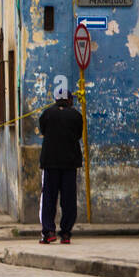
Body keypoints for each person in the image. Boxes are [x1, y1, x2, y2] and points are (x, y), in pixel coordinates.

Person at [38, 81, 84, 244]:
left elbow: (43, 130)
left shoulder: (47, 114)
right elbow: (78, 134)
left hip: (50, 163)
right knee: (68, 199)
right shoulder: (76, 116)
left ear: (56, 99)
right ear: (70, 100)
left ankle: (49, 231)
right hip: (70, 163)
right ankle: (65, 233)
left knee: (49, 198)